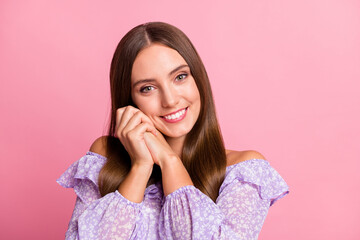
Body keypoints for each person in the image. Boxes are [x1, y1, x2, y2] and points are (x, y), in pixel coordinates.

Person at [57, 22, 289, 240]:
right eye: (147, 88)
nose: (170, 100)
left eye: (180, 77)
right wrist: (140, 167)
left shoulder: (243, 172)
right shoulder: (106, 156)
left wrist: (170, 161)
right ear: (130, 100)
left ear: (198, 79)